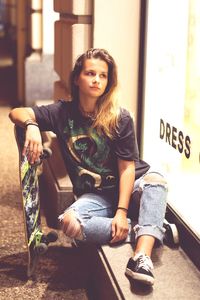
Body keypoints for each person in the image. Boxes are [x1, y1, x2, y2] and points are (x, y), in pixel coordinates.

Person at [9, 48, 168, 286]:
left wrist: (122, 212)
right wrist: (32, 124)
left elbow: (127, 169)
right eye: (90, 73)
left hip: (131, 186)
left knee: (156, 180)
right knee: (68, 223)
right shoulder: (62, 113)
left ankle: (141, 256)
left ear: (108, 82)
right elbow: (16, 112)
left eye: (103, 75)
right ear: (76, 78)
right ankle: (148, 227)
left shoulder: (120, 118)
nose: (96, 80)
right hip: (96, 196)